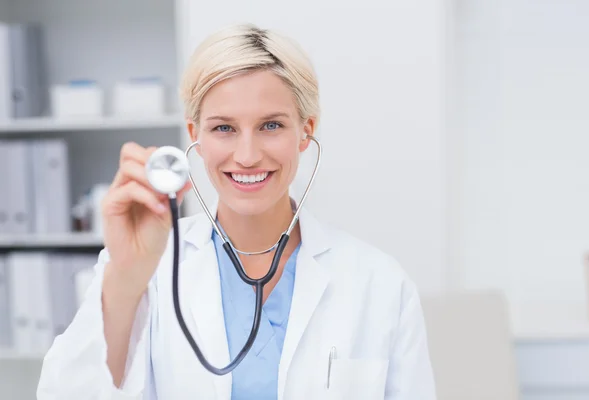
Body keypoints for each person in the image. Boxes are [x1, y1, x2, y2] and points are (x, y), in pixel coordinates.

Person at [36, 23, 437, 399]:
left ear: (306, 131)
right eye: (223, 128)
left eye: (271, 125)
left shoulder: (380, 283)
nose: (247, 155)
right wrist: (126, 278)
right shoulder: (149, 269)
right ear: (195, 136)